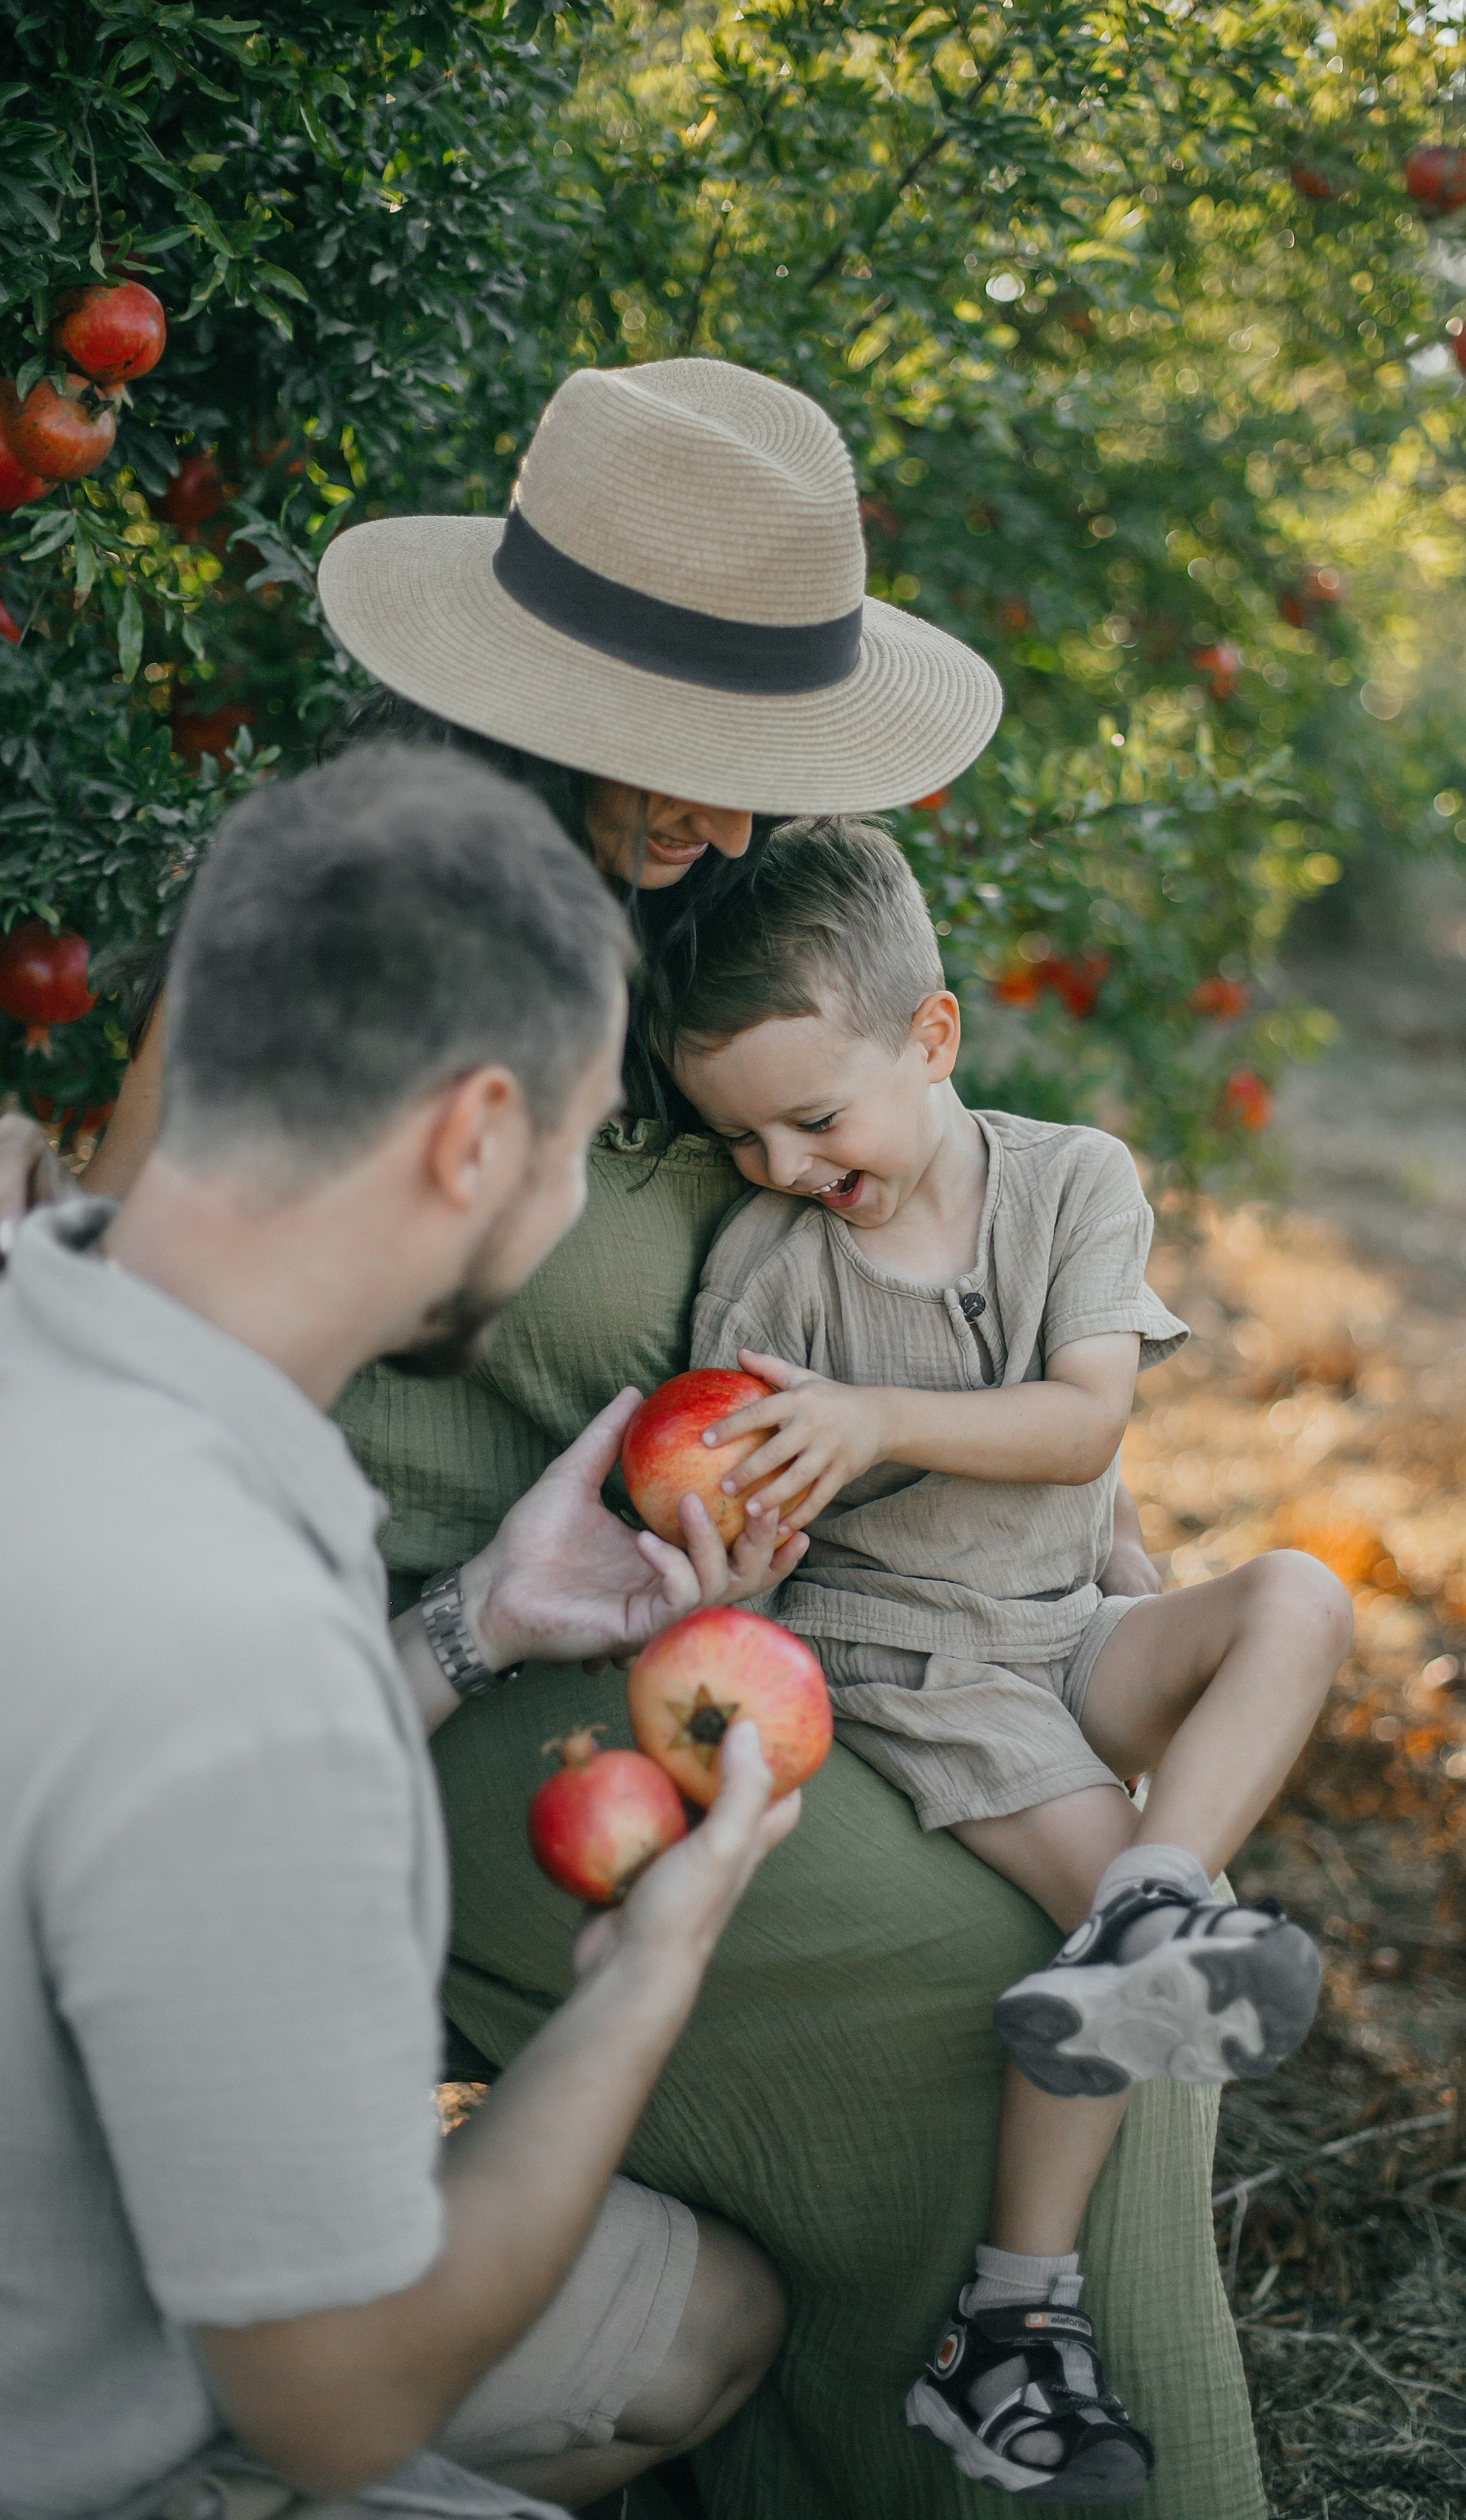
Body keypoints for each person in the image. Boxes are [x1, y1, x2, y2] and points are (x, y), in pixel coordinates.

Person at [5, 357, 1272, 2517]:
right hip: (431, 1613)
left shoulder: (736, 913)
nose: (731, 811)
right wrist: (455, 1629)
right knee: (979, 1982)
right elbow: (171, 1275)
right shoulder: (372, 898)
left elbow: (905, 1237)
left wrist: (1068, 1508)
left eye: (762, 763)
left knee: (1087, 1956)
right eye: (680, 761)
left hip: (710, 1577)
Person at [0, 744, 810, 2520]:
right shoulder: (241, 1652)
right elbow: (340, 2402)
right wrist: (651, 1975)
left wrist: (472, 1621)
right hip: (94, 2440)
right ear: (473, 1139)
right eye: (574, 1143)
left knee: (702, 2318)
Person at [662, 819, 1353, 2502]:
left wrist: (896, 1424)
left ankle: (1159, 1895)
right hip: (909, 1664)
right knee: (1110, 1950)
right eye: (738, 1135)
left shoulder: (1072, 1181)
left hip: (1060, 1626)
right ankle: (1012, 2324)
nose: (780, 1165)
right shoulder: (766, 1269)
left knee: (1298, 1599)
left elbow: (1083, 1419)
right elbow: (740, 1538)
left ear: (933, 1036)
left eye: (813, 1119)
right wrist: (738, 1547)